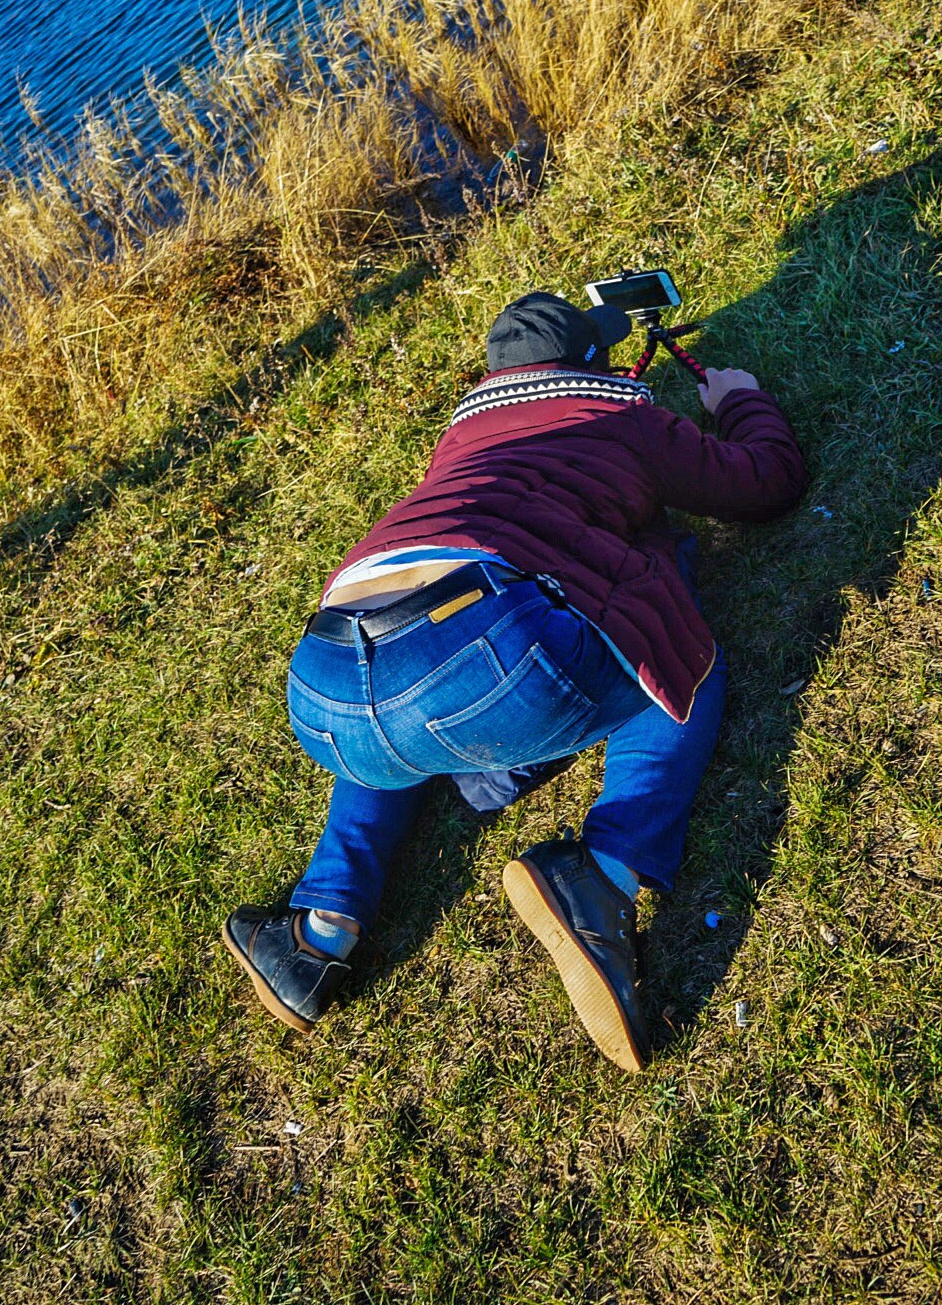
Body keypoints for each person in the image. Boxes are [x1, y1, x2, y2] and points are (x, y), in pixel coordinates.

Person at [223, 290, 806, 1071]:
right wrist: (741, 402)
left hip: (324, 682)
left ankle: (317, 932)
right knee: (678, 660)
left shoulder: (458, 444)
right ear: (591, 366)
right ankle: (604, 876)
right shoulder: (615, 415)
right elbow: (764, 484)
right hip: (481, 648)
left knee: (396, 701)